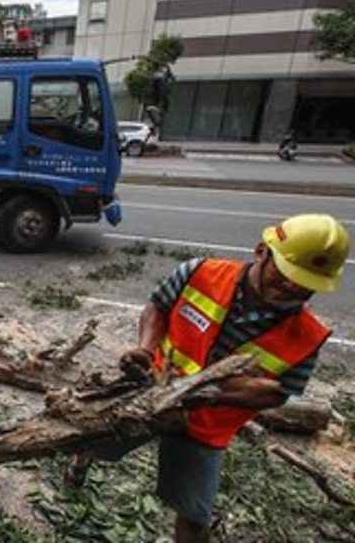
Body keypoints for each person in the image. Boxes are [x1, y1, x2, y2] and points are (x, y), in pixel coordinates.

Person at [67, 214, 350, 543]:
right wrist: (145, 350)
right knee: (96, 438)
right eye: (286, 275)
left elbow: (279, 393)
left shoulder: (307, 337)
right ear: (261, 252)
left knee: (195, 516)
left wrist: (215, 394)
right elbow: (157, 307)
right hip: (149, 395)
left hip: (203, 425)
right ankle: (80, 462)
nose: (292, 287)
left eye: (307, 284)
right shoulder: (200, 273)